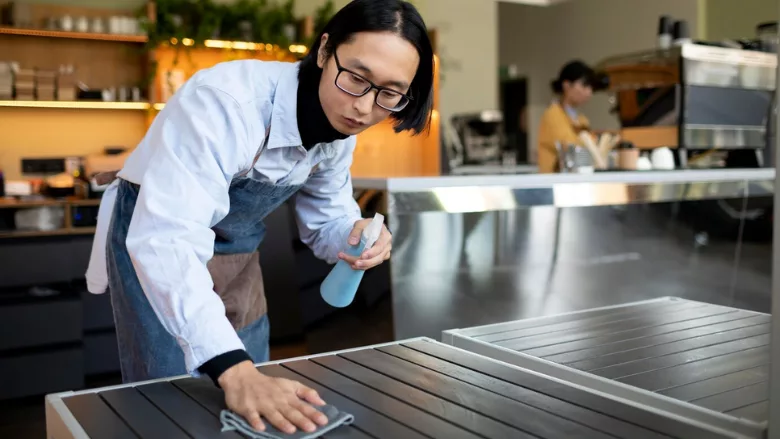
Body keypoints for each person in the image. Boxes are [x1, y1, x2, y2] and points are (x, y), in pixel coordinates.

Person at [84, 0, 434, 434]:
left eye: (389, 93)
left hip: (239, 254)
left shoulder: (339, 129)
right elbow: (165, 239)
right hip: (157, 246)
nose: (365, 108)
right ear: (324, 51)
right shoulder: (227, 102)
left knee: (250, 408)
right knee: (169, 405)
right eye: (357, 78)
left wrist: (355, 234)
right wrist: (233, 368)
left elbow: (326, 224)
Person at [536, 60, 595, 173]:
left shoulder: (582, 119)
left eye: (591, 87)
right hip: (553, 182)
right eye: (584, 86)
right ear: (567, 85)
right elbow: (569, 146)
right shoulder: (552, 114)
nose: (589, 92)